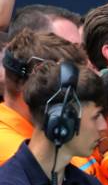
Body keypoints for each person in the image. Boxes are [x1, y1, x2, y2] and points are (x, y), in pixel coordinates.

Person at [0, 31, 90, 164]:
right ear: (28, 85)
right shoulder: (11, 151)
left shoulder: (54, 131)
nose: (75, 100)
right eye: (66, 91)